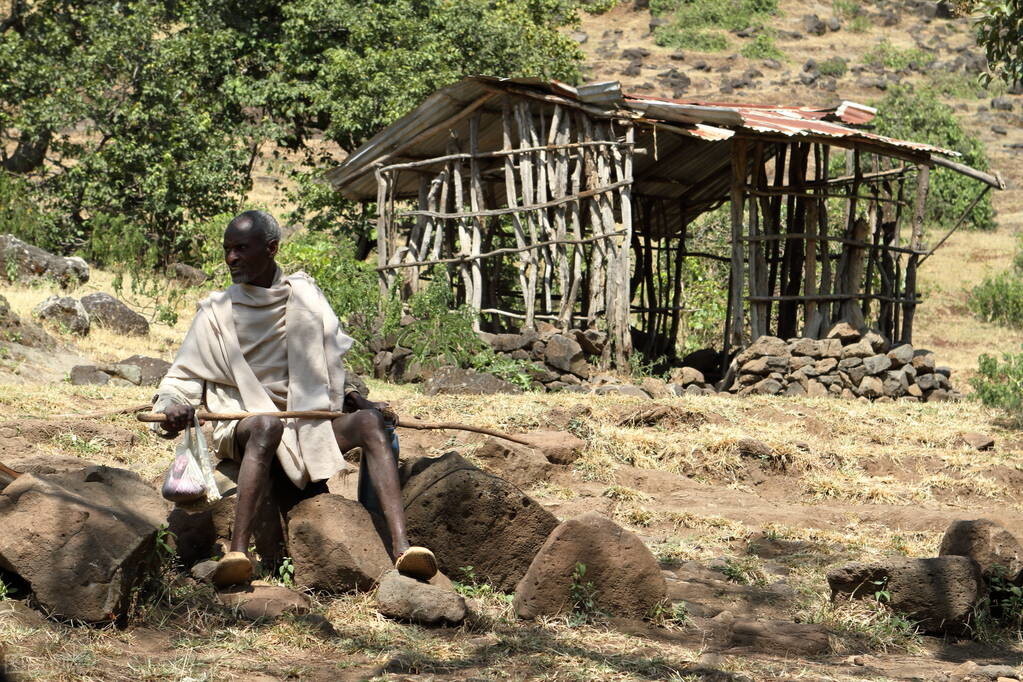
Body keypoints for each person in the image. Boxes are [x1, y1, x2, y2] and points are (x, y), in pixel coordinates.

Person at [152, 210, 436, 586]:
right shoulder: (216, 313)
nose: (231, 259)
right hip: (245, 423)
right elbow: (181, 379)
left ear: (271, 248)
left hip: (307, 423)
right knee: (267, 424)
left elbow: (327, 366)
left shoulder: (305, 297)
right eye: (227, 250)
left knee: (370, 423)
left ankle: (401, 547)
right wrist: (171, 407)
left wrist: (355, 398)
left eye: (240, 248)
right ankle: (239, 553)